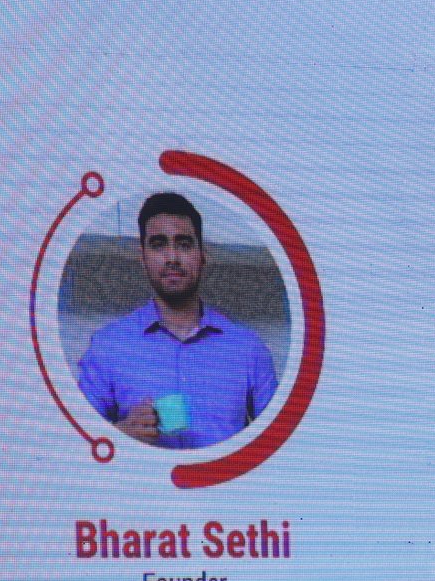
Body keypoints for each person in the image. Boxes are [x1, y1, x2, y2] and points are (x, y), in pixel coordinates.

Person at [73, 193, 280, 451]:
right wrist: (118, 435)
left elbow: (282, 445)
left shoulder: (249, 349)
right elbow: (75, 444)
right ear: (143, 256)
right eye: (159, 244)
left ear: (203, 255)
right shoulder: (107, 346)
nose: (172, 257)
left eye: (184, 244)